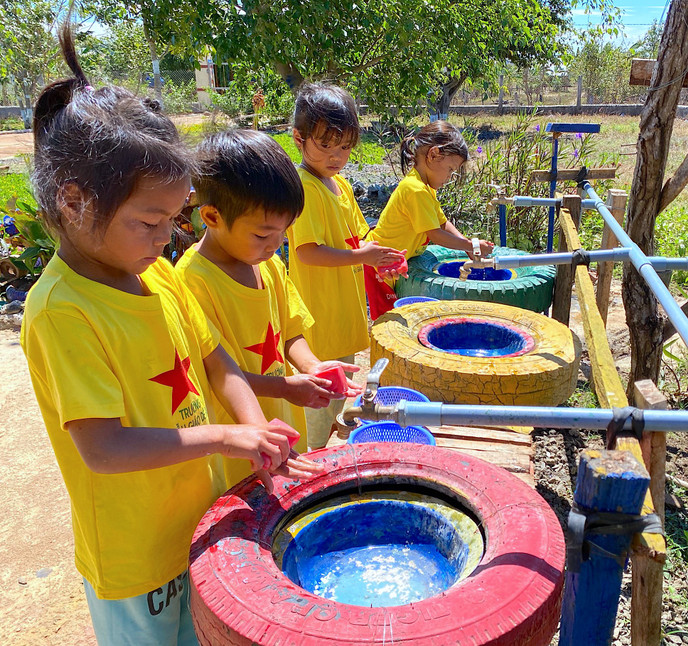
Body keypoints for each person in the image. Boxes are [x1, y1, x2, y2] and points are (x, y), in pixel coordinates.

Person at [20, 26, 321, 646]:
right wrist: (225, 433)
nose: (167, 238)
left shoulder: (157, 272)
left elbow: (217, 363)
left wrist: (256, 430)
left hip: (198, 516)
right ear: (74, 203)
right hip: (137, 555)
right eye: (149, 222)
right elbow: (103, 448)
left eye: (173, 220)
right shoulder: (62, 311)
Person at [177, 129, 362, 487]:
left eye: (285, 232)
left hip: (280, 424)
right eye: (263, 235)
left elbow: (291, 329)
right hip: (237, 440)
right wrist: (285, 387)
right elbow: (214, 375)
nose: (276, 245)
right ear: (212, 217)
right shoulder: (192, 281)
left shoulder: (268, 264)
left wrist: (311, 366)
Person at [286, 83, 403, 449]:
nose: (337, 156)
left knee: (340, 398)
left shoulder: (339, 185)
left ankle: (325, 459)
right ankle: (310, 467)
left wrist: (380, 256)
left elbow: (356, 239)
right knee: (317, 408)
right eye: (326, 144)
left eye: (346, 147)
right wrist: (363, 257)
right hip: (317, 321)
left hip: (343, 315)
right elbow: (308, 251)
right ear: (298, 139)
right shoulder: (304, 187)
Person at [365, 120, 494, 319]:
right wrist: (470, 244)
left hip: (393, 264)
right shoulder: (415, 189)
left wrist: (469, 246)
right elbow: (435, 234)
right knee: (388, 322)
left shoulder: (424, 187)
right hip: (380, 265)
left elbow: (443, 223)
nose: (450, 176)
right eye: (450, 169)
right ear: (433, 155)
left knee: (399, 318)